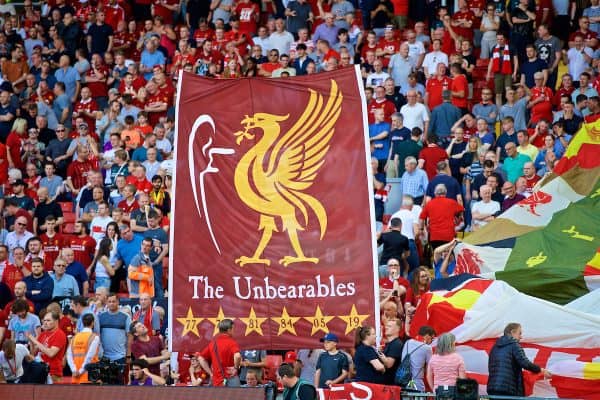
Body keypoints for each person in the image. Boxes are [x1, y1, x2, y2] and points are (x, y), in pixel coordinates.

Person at [487, 323, 551, 396]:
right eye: (519, 333)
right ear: (512, 332)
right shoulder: (514, 344)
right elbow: (524, 363)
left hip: (492, 388)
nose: (521, 337)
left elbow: (490, 367)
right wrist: (540, 370)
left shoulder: (494, 347)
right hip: (507, 389)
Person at [197, 318, 242, 387]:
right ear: (229, 330)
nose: (234, 331)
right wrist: (236, 368)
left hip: (217, 380)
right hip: (231, 378)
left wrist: (210, 373)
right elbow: (238, 356)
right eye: (233, 329)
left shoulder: (213, 343)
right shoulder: (231, 342)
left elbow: (200, 358)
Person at [419, 184, 464, 250]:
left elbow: (421, 218)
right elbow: (462, 210)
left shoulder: (429, 204)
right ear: (445, 192)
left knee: (437, 255)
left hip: (434, 236)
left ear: (435, 193)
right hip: (449, 236)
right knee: (448, 256)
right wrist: (458, 220)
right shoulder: (452, 202)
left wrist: (421, 229)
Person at [28, 311, 68, 383]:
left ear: (56, 321)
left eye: (48, 320)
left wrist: (35, 341)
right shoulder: (43, 334)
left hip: (53, 373)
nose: (45, 322)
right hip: (40, 371)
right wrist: (31, 341)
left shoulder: (60, 334)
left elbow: (51, 353)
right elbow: (33, 353)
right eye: (44, 320)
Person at [98, 293, 131, 366]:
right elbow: (97, 335)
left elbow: (130, 337)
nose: (111, 304)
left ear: (118, 302)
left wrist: (128, 355)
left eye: (114, 301)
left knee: (120, 378)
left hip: (121, 356)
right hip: (104, 357)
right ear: (106, 303)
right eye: (109, 302)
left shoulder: (126, 316)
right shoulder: (100, 316)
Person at [66, 313, 100, 384]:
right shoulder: (94, 337)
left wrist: (74, 370)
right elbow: (89, 357)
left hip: (76, 375)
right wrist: (81, 371)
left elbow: (69, 356)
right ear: (93, 323)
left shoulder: (75, 337)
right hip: (89, 375)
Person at [400, 325, 435, 391]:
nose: (431, 342)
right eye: (431, 339)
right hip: (416, 382)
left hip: (403, 379)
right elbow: (430, 368)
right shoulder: (427, 348)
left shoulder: (408, 342)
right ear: (427, 336)